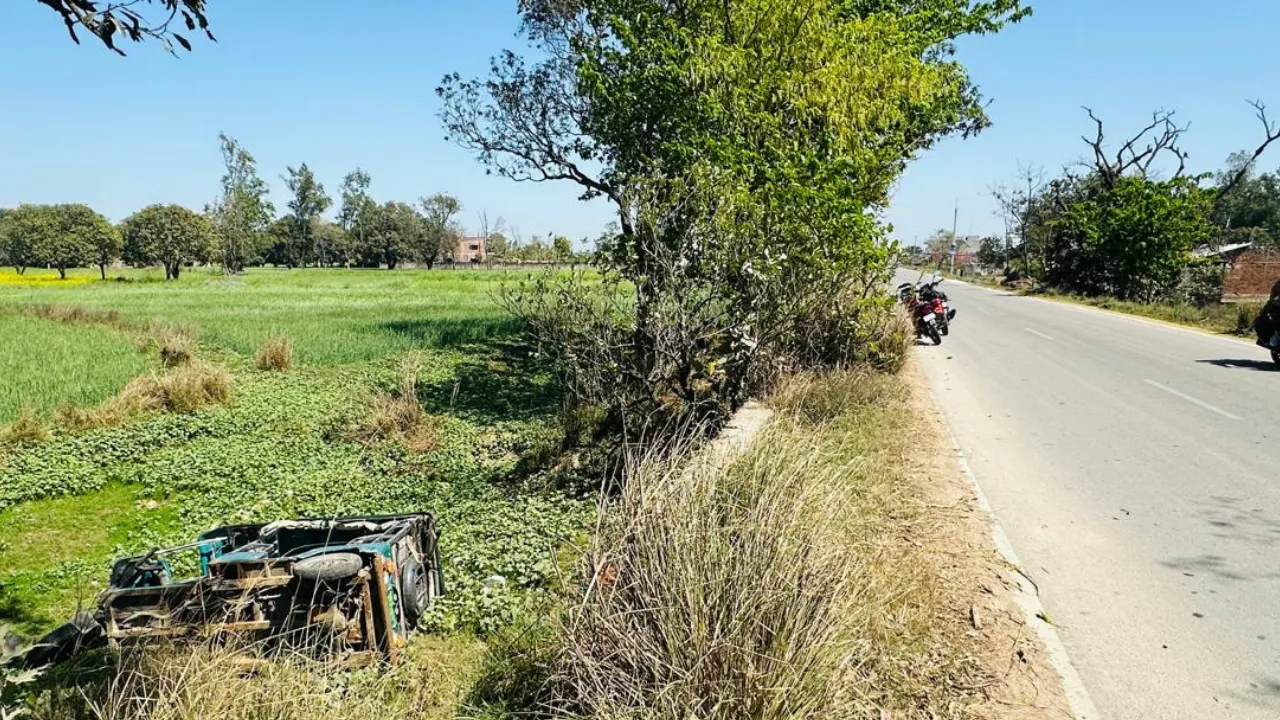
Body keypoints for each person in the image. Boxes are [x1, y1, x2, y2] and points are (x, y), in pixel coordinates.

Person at [1255, 279, 1280, 349]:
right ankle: (1272, 340)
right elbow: (1273, 298)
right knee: (1264, 320)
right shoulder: (1278, 285)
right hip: (1276, 309)